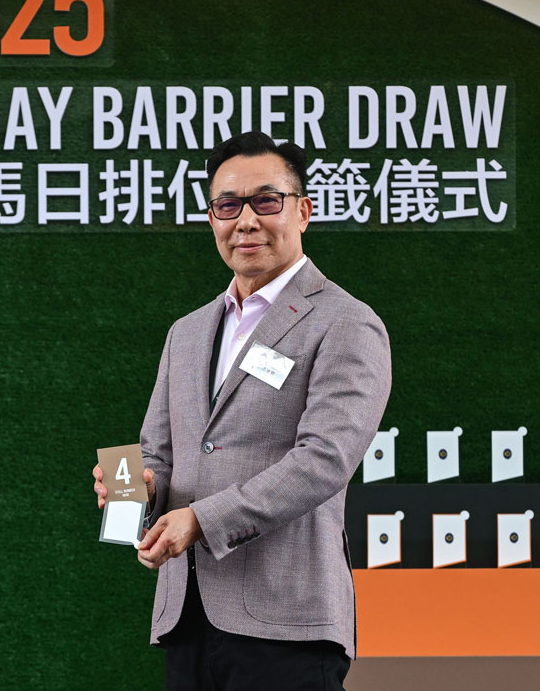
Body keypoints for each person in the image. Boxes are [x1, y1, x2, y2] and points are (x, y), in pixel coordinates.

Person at [92, 131, 391, 691]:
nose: (246, 221)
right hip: (187, 617)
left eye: (266, 201)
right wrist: (139, 493)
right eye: (228, 205)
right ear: (212, 219)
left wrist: (203, 520)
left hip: (287, 621)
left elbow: (325, 460)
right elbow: (156, 452)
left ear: (303, 211)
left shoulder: (346, 322)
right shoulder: (187, 332)